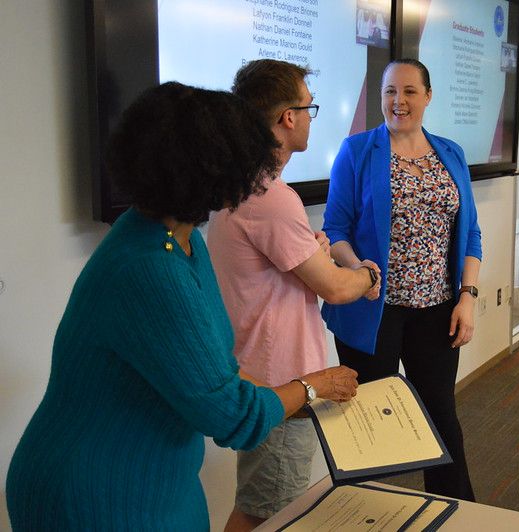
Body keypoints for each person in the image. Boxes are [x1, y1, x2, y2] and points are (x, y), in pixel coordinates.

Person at [5, 82, 358, 531]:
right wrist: (313, 385)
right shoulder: (151, 266)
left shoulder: (178, 236)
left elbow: (217, 366)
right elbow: (233, 416)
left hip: (153, 479)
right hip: (96, 495)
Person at [207, 59, 379, 532]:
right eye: (309, 108)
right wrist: (367, 273)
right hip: (281, 384)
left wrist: (316, 249)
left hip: (264, 379)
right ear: (287, 117)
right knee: (271, 515)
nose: (308, 118)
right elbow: (337, 288)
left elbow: (277, 270)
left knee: (260, 506)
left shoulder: (244, 186)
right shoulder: (271, 196)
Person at [322, 59, 482, 501]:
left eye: (410, 91)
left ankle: (459, 516)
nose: (399, 101)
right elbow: (335, 228)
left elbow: (470, 232)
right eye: (390, 91)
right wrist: (358, 268)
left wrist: (467, 296)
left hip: (437, 310)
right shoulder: (357, 150)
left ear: (428, 96)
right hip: (372, 310)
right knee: (368, 426)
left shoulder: (451, 153)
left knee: (441, 419)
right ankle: (362, 516)